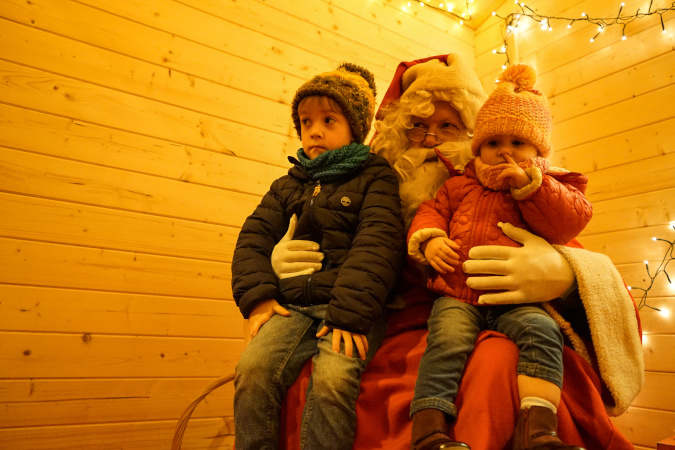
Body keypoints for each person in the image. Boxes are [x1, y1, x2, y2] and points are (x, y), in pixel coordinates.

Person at [271, 54, 642, 450]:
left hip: (497, 319)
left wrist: (565, 273)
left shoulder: (520, 186)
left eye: (448, 126)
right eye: (417, 128)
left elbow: (573, 238)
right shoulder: (367, 193)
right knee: (313, 370)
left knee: (498, 366)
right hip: (389, 323)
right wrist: (280, 268)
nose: (431, 140)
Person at [406, 63, 592, 450]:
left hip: (515, 299)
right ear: (479, 148)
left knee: (542, 332)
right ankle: (429, 427)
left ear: (538, 150)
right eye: (493, 143)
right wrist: (430, 239)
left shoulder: (553, 183)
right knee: (447, 341)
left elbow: (570, 222)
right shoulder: (459, 184)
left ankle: (539, 428)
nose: (504, 151)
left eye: (517, 143)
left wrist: (533, 189)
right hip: (458, 292)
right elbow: (431, 210)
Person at [231, 63, 406, 450]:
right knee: (252, 368)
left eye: (329, 120)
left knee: (333, 380)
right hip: (293, 305)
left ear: (355, 129)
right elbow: (253, 238)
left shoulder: (374, 175)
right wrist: (259, 297)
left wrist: (350, 314)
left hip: (349, 306)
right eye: (306, 121)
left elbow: (378, 243)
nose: (314, 130)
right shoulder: (289, 184)